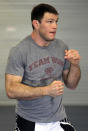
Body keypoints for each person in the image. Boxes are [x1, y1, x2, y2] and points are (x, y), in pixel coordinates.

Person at [5, 3, 81, 131]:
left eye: (56, 21)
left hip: (58, 117)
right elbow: (11, 90)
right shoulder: (19, 51)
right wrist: (46, 90)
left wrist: (75, 65)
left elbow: (71, 84)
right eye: (50, 21)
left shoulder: (62, 47)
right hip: (30, 119)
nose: (55, 26)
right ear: (36, 24)